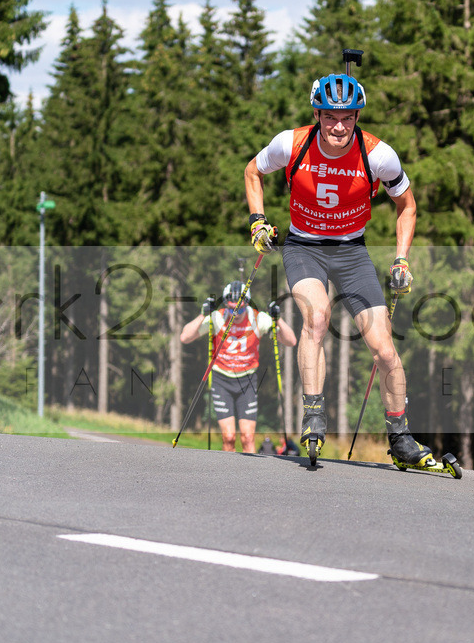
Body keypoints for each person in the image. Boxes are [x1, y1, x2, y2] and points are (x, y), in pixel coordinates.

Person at [244, 71, 434, 468]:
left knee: (383, 348)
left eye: (348, 117)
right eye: (331, 116)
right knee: (317, 317)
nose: (339, 126)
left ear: (357, 116)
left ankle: (400, 437)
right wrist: (258, 221)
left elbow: (408, 206)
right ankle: (313, 415)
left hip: (351, 253)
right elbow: (252, 172)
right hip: (303, 248)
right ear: (317, 113)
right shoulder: (291, 144)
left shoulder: (378, 155)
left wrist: (401, 258)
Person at [180, 281, 297, 453]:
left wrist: (278, 319)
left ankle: (249, 478)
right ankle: (227, 477)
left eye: (240, 310)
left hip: (247, 381)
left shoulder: (258, 319)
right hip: (222, 380)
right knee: (229, 437)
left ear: (247, 304)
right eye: (231, 309)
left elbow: (291, 341)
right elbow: (185, 337)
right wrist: (202, 315)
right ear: (226, 305)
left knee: (248, 438)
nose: (235, 314)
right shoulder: (217, 317)